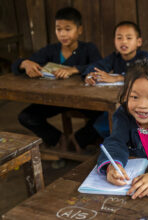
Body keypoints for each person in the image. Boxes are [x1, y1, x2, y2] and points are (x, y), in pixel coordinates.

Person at [12, 7, 102, 149]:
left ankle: (78, 140)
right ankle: (58, 140)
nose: (62, 34)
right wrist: (25, 63)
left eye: (68, 29)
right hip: (55, 100)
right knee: (26, 117)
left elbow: (99, 66)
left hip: (83, 101)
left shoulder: (88, 49)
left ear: (79, 30)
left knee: (105, 116)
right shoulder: (51, 50)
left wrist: (74, 69)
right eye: (58, 29)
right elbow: (20, 64)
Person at [96, 59, 148, 199]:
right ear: (125, 94)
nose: (142, 106)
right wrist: (113, 166)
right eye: (134, 97)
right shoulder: (123, 114)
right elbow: (116, 142)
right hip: (133, 184)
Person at [84, 21, 148, 85]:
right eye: (119, 38)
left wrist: (118, 78)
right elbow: (96, 67)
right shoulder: (114, 57)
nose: (124, 41)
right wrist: (90, 75)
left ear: (139, 42)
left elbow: (146, 73)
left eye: (129, 38)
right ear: (114, 41)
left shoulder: (144, 56)